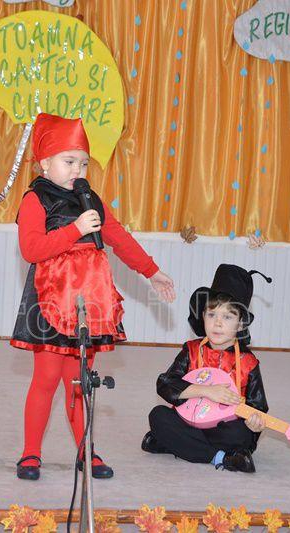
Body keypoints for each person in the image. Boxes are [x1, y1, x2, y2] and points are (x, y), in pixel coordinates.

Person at [12, 113, 175, 481]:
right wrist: (75, 229)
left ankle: (86, 450)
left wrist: (152, 271)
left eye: (83, 163)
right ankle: (30, 453)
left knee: (80, 381)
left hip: (87, 304)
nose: (77, 170)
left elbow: (118, 237)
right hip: (50, 301)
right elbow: (32, 249)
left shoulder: (90, 199)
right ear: (45, 163)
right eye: (69, 161)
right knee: (46, 378)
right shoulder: (36, 199)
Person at [142, 264, 271, 473]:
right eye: (212, 315)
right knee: (158, 415)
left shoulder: (248, 363)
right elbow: (165, 384)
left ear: (240, 324)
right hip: (189, 421)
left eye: (227, 317)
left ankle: (175, 444)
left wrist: (255, 423)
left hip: (222, 428)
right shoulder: (192, 350)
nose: (217, 323)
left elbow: (258, 407)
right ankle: (220, 457)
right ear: (203, 316)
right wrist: (206, 391)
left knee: (240, 435)